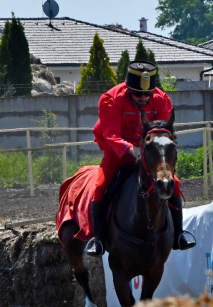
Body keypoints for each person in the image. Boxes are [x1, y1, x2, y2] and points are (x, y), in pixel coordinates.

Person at [84, 61, 196, 256]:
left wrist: (148, 151)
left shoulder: (161, 99)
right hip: (118, 151)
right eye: (138, 94)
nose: (143, 98)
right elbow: (111, 135)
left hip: (150, 153)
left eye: (147, 94)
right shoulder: (110, 99)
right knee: (100, 186)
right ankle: (99, 240)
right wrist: (132, 149)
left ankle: (179, 234)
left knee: (174, 183)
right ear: (128, 89)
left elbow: (162, 131)